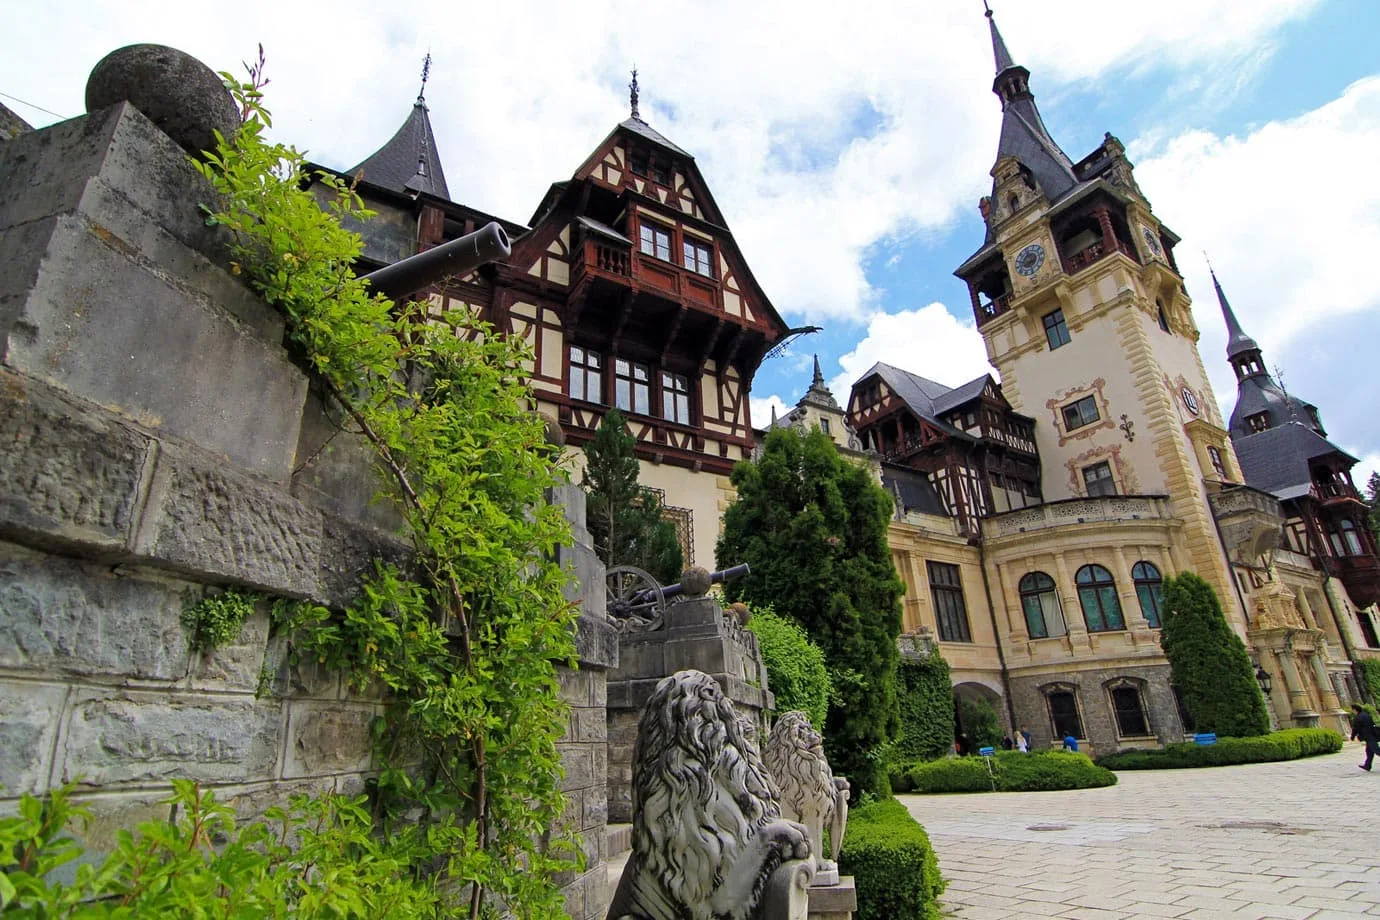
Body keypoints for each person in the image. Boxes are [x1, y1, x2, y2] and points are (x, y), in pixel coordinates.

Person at [1352, 703, 1377, 772]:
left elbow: (1356, 728)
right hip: (1372, 734)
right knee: (1369, 751)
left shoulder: (1358, 717)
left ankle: (1367, 765)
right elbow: (1373, 723)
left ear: (1355, 710)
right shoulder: (1366, 715)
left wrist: (1352, 736)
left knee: (1376, 750)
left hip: (1367, 736)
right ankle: (1367, 765)